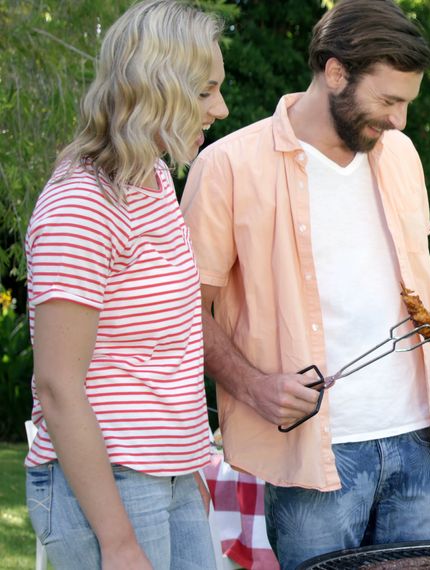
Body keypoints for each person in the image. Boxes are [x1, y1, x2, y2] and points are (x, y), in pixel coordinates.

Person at [180, 0, 430, 567]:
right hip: (310, 453)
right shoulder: (226, 166)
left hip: (418, 439)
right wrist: (253, 386)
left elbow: (423, 286)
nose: (400, 120)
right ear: (336, 71)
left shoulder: (403, 156)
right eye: (390, 100)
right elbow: (184, 309)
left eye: (406, 103)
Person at [22, 1, 229, 568]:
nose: (221, 108)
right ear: (160, 87)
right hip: (106, 484)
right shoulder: (81, 205)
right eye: (206, 92)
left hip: (168, 475)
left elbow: (168, 348)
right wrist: (117, 541)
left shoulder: (154, 178)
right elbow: (59, 387)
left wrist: (186, 470)